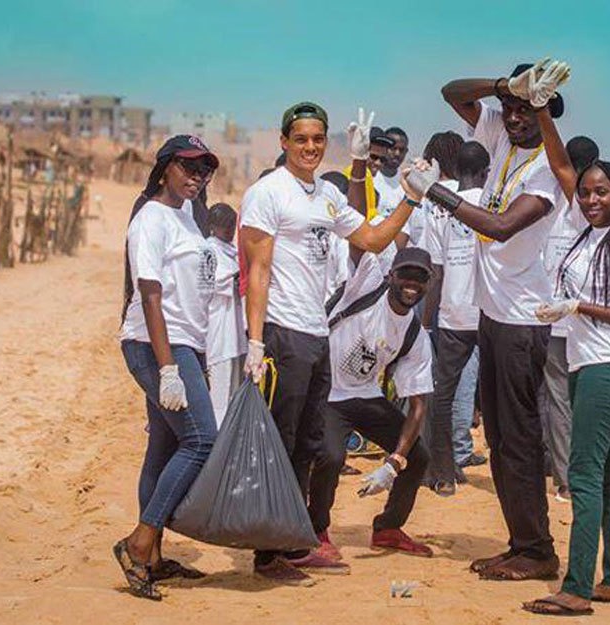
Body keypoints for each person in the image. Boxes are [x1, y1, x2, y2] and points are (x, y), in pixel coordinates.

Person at [406, 58, 571, 581]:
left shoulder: (545, 167)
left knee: (519, 437)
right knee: (500, 439)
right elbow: (451, 89)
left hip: (523, 322)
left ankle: (538, 550)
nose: (515, 118)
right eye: (510, 109)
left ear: (545, 114)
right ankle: (522, 542)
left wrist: (435, 192)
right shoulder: (498, 133)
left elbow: (500, 227)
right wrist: (505, 87)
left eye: (527, 110)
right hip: (493, 316)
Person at [240, 102, 418, 584]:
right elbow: (257, 271)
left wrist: (411, 198)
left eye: (318, 139)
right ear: (284, 142)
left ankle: (293, 543)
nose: (310, 147)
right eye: (300, 139)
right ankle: (266, 553)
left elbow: (375, 239)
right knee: (279, 442)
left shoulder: (325, 197)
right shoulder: (266, 193)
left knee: (306, 445)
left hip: (316, 334)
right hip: (283, 332)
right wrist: (256, 342)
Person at [525, 158, 610, 617]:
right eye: (585, 193)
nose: (592, 200)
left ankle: (576, 587)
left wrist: (579, 307)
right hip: (586, 362)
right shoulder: (588, 236)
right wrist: (566, 309)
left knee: (583, 474)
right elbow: (561, 170)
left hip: (609, 365)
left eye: (601, 192)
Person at [115, 135, 221, 601]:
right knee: (201, 441)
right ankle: (139, 544)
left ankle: (154, 555)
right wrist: (168, 369)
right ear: (164, 169)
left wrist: (198, 358)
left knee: (163, 448)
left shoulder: (188, 218)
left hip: (185, 346)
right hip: (156, 344)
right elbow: (150, 294)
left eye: (204, 170)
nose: (197, 177)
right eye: (188, 167)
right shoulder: (151, 219)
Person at [309, 247, 436, 562]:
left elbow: (418, 405)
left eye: (420, 279)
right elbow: (362, 229)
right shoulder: (366, 286)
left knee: (417, 457)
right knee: (331, 456)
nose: (411, 284)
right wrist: (409, 200)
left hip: (365, 396)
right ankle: (317, 530)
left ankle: (388, 528)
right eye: (405, 275)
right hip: (329, 392)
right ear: (390, 275)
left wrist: (393, 464)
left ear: (428, 284)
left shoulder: (415, 336)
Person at [422, 140, 488, 495]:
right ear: (485, 172)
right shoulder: (493, 204)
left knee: (442, 396)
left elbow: (436, 269)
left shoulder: (437, 207)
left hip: (451, 314)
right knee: (495, 399)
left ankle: (444, 473)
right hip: (489, 313)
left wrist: (425, 322)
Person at [539, 135, 598, 502]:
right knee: (576, 399)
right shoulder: (595, 208)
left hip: (549, 315)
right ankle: (572, 474)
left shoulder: (544, 201)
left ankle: (562, 476)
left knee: (556, 399)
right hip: (584, 318)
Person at [206, 203, 247, 428]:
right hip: (219, 331)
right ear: (213, 226)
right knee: (219, 396)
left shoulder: (231, 250)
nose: (230, 230)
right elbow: (223, 280)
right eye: (225, 225)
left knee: (235, 392)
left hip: (236, 332)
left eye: (232, 225)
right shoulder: (209, 250)